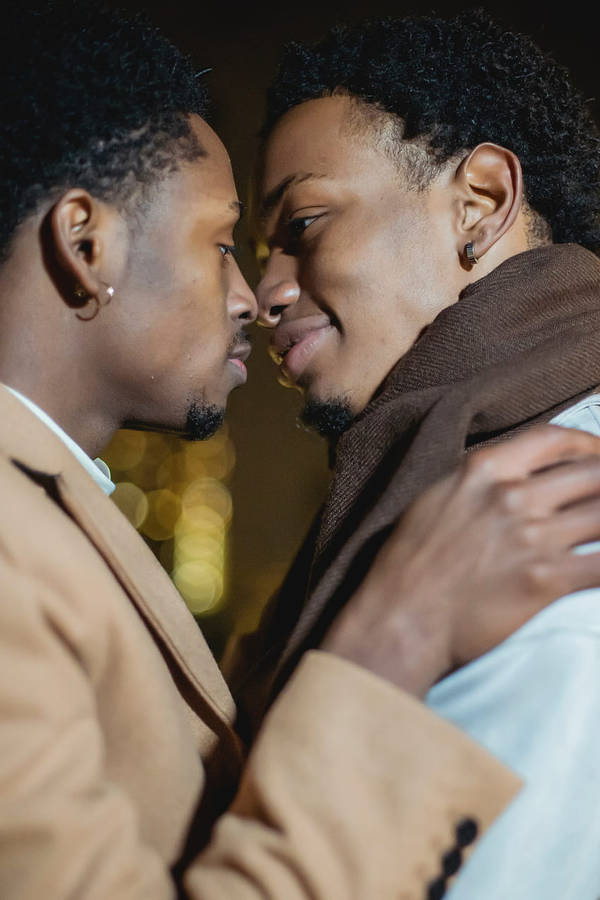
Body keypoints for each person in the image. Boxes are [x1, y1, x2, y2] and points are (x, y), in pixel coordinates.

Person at [232, 9, 600, 898]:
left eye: (306, 223)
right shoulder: (450, 477)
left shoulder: (550, 507)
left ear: (478, 201)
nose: (262, 293)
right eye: (257, 252)